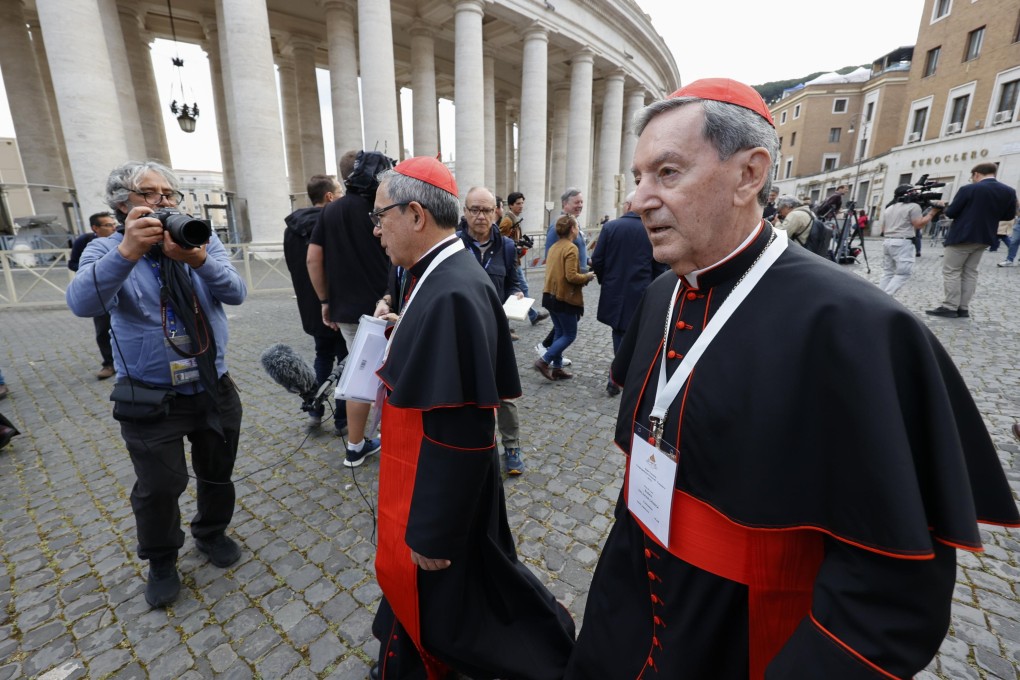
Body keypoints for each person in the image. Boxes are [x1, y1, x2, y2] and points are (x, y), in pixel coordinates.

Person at [566, 78, 1019, 679]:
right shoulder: (659, 297)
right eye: (638, 176)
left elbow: (889, 592)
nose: (637, 198)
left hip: (746, 638)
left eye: (667, 173)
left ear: (749, 175)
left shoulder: (854, 326)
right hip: (628, 603)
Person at [368, 156, 575, 679]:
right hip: (430, 474)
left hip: (438, 486)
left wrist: (433, 532)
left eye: (380, 216)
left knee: (458, 596)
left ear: (415, 215)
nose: (376, 230)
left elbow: (461, 424)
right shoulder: (436, 274)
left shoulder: (453, 289)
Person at [66, 160, 247, 608]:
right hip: (151, 395)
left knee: (217, 469)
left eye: (170, 193)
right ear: (123, 204)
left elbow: (236, 292)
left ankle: (210, 531)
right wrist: (126, 253)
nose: (164, 201)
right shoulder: (104, 249)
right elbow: (83, 302)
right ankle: (162, 559)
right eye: (151, 193)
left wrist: (199, 260)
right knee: (160, 485)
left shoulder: (199, 239)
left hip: (211, 383)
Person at [308, 150, 392, 465]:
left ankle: (359, 443)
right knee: (382, 376)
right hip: (385, 305)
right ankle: (360, 445)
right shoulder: (382, 207)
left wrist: (325, 301)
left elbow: (313, 259)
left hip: (346, 310)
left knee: (361, 376)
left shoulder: (330, 211)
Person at [457, 186, 529, 475]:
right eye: (474, 209)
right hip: (463, 334)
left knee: (505, 393)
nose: (481, 216)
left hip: (499, 334)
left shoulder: (507, 247)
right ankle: (476, 445)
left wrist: (518, 294)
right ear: (465, 212)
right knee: (467, 394)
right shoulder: (454, 245)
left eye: (487, 210)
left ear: (496, 212)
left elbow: (513, 282)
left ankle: (511, 447)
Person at [283, 174, 348, 434]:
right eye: (340, 192)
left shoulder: (292, 228)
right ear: (329, 197)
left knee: (322, 357)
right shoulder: (330, 225)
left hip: (310, 306)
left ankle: (315, 411)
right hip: (336, 303)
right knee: (345, 361)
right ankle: (343, 420)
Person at [591, 192, 667, 396]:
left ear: (627, 205)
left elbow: (597, 260)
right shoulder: (651, 229)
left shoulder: (610, 227)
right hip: (641, 291)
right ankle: (621, 376)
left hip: (614, 290)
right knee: (635, 333)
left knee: (618, 331)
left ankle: (617, 376)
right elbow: (660, 264)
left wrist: (604, 279)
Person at [926, 163, 1018, 318]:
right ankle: (963, 307)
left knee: (952, 270)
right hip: (985, 236)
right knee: (970, 272)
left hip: (963, 235)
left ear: (976, 174)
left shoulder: (968, 189)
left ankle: (949, 306)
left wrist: (943, 207)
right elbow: (1009, 216)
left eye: (972, 177)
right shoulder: (1009, 191)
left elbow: (953, 212)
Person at [534, 214, 594, 381]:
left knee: (559, 332)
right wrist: (587, 276)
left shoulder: (554, 247)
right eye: (577, 226)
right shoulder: (571, 247)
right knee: (569, 334)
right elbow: (571, 276)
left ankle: (558, 368)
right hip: (563, 298)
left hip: (550, 296)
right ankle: (544, 361)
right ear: (572, 229)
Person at [535, 188, 587, 364]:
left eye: (581, 201)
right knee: (568, 329)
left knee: (561, 327)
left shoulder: (572, 224)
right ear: (565, 204)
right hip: (564, 286)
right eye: (576, 202)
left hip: (571, 284)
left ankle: (556, 363)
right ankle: (546, 355)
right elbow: (552, 256)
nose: (580, 205)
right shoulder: (559, 225)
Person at [69, 212, 118, 380]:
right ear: (95, 228)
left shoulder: (121, 240)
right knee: (103, 329)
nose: (113, 227)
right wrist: (92, 272)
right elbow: (72, 263)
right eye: (108, 225)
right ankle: (109, 363)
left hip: (121, 288)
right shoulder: (84, 242)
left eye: (113, 224)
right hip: (100, 290)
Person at [878, 185, 939, 296]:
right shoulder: (913, 206)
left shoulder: (890, 207)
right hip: (902, 242)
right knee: (903, 274)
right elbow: (918, 224)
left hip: (887, 241)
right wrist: (932, 212)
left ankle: (878, 296)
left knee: (888, 273)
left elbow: (883, 229)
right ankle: (885, 297)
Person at [500, 191, 548, 326]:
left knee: (517, 290)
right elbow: (502, 240)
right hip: (511, 262)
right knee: (522, 288)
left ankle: (528, 317)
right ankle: (532, 315)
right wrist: (516, 247)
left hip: (515, 260)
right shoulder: (507, 221)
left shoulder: (514, 219)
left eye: (522, 203)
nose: (521, 206)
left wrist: (522, 242)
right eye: (518, 204)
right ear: (510, 205)